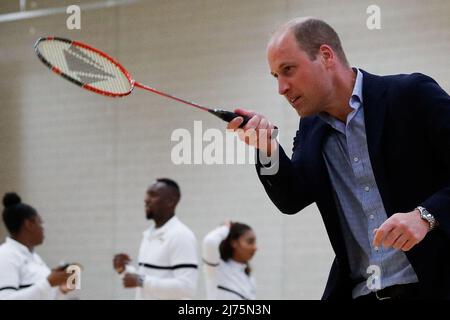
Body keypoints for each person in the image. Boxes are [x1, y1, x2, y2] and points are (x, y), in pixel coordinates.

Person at [227, 17, 450, 300]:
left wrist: (425, 216)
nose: (281, 88)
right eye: (275, 76)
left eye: (288, 70)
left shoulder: (410, 95)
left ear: (326, 56)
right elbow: (292, 198)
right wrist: (266, 148)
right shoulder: (311, 128)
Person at [113, 178, 198, 299]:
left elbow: (187, 288)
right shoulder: (149, 235)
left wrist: (141, 280)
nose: (146, 200)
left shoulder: (181, 235)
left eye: (153, 195)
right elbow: (147, 281)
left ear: (170, 201)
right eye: (147, 194)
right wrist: (123, 270)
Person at [0, 192, 75, 299]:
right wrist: (48, 283)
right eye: (40, 223)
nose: (42, 229)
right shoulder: (5, 255)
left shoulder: (34, 257)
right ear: (29, 224)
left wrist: (60, 290)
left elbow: (41, 294)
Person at [202, 221, 257, 300]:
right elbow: (210, 241)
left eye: (255, 242)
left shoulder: (249, 277)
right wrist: (226, 228)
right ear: (234, 243)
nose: (255, 247)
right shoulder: (216, 268)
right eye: (250, 242)